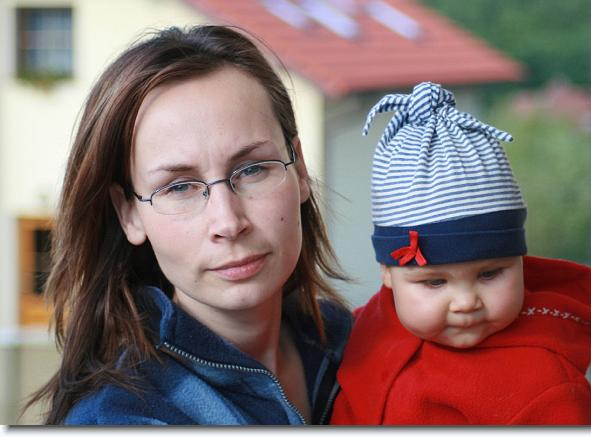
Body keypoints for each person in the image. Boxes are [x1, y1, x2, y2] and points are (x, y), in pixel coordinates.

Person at [24, 25, 352, 425]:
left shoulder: (357, 341)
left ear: (299, 169)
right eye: (179, 187)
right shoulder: (120, 419)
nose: (228, 222)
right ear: (129, 213)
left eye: (252, 169)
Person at [329, 82, 591, 425]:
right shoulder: (364, 328)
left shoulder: (546, 383)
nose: (466, 302)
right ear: (387, 272)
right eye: (435, 282)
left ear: (519, 260)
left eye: (489, 274)